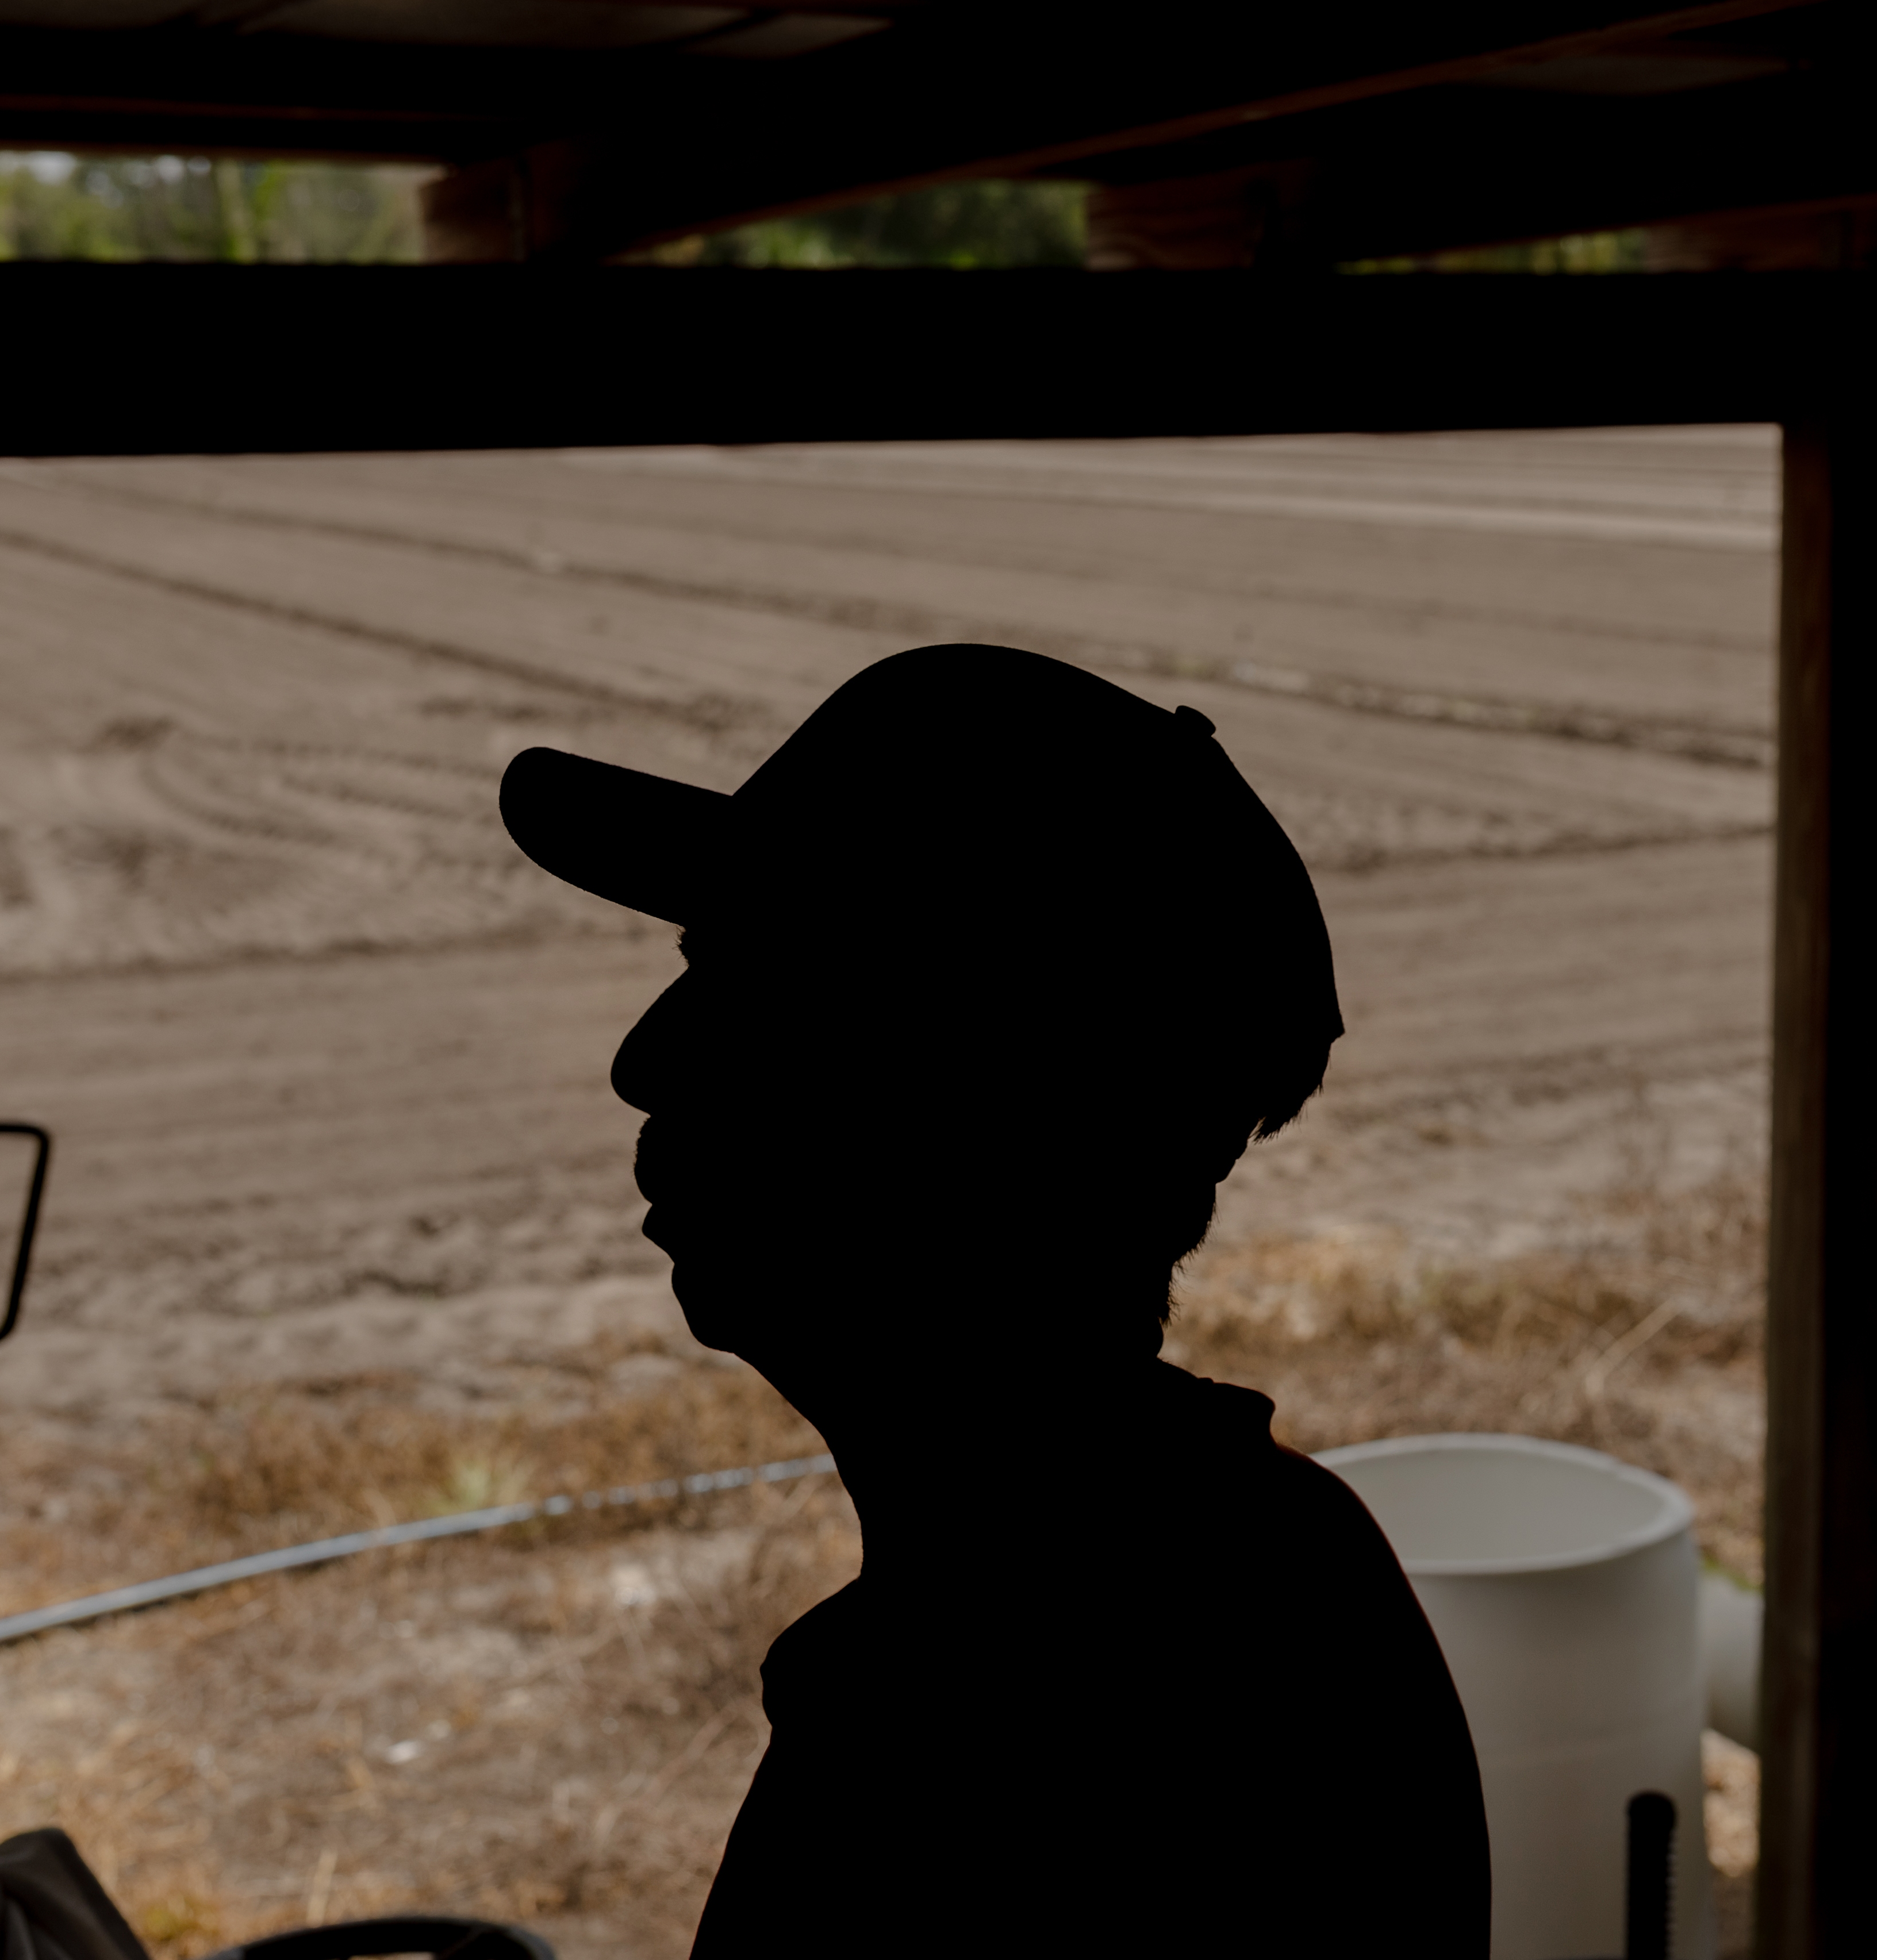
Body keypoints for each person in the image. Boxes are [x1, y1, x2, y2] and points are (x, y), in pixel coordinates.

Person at [499, 643, 1488, 1955]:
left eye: (764, 988)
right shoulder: (1232, 1562)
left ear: (1000, 1111)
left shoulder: (1013, 1713)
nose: (646, 1058)